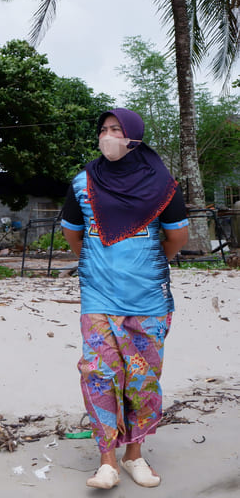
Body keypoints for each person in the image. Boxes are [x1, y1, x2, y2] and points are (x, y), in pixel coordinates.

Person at [60, 108, 189, 489]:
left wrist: (147, 264)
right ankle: (107, 462)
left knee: (142, 378)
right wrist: (101, 263)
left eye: (116, 129)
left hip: (148, 299)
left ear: (134, 136)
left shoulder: (163, 185)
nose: (108, 135)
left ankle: (135, 455)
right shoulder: (83, 182)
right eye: (103, 129)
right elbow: (73, 235)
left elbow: (177, 238)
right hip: (98, 297)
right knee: (98, 375)